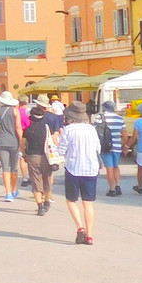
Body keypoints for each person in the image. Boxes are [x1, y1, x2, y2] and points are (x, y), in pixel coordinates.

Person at [57, 101, 101, 245]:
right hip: (91, 168)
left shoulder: (69, 130)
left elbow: (61, 150)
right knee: (88, 203)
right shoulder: (91, 129)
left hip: (73, 168)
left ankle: (80, 228)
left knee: (72, 200)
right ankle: (90, 235)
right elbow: (97, 149)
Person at [21, 105, 53, 216]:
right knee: (47, 180)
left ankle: (40, 206)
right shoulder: (46, 128)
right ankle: (47, 201)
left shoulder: (27, 130)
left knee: (36, 181)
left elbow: (22, 144)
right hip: (46, 156)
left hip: (33, 156)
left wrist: (24, 154)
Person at [0, 91, 23, 201]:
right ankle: (14, 189)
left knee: (5, 168)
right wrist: (21, 142)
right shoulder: (15, 111)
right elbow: (18, 128)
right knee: (14, 168)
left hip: (1, 141)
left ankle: (8, 193)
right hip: (14, 141)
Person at [98, 100, 126, 197]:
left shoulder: (100, 118)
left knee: (109, 168)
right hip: (117, 146)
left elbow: (95, 132)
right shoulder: (120, 119)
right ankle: (118, 185)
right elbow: (124, 135)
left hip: (105, 146)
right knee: (116, 166)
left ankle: (112, 189)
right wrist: (124, 146)